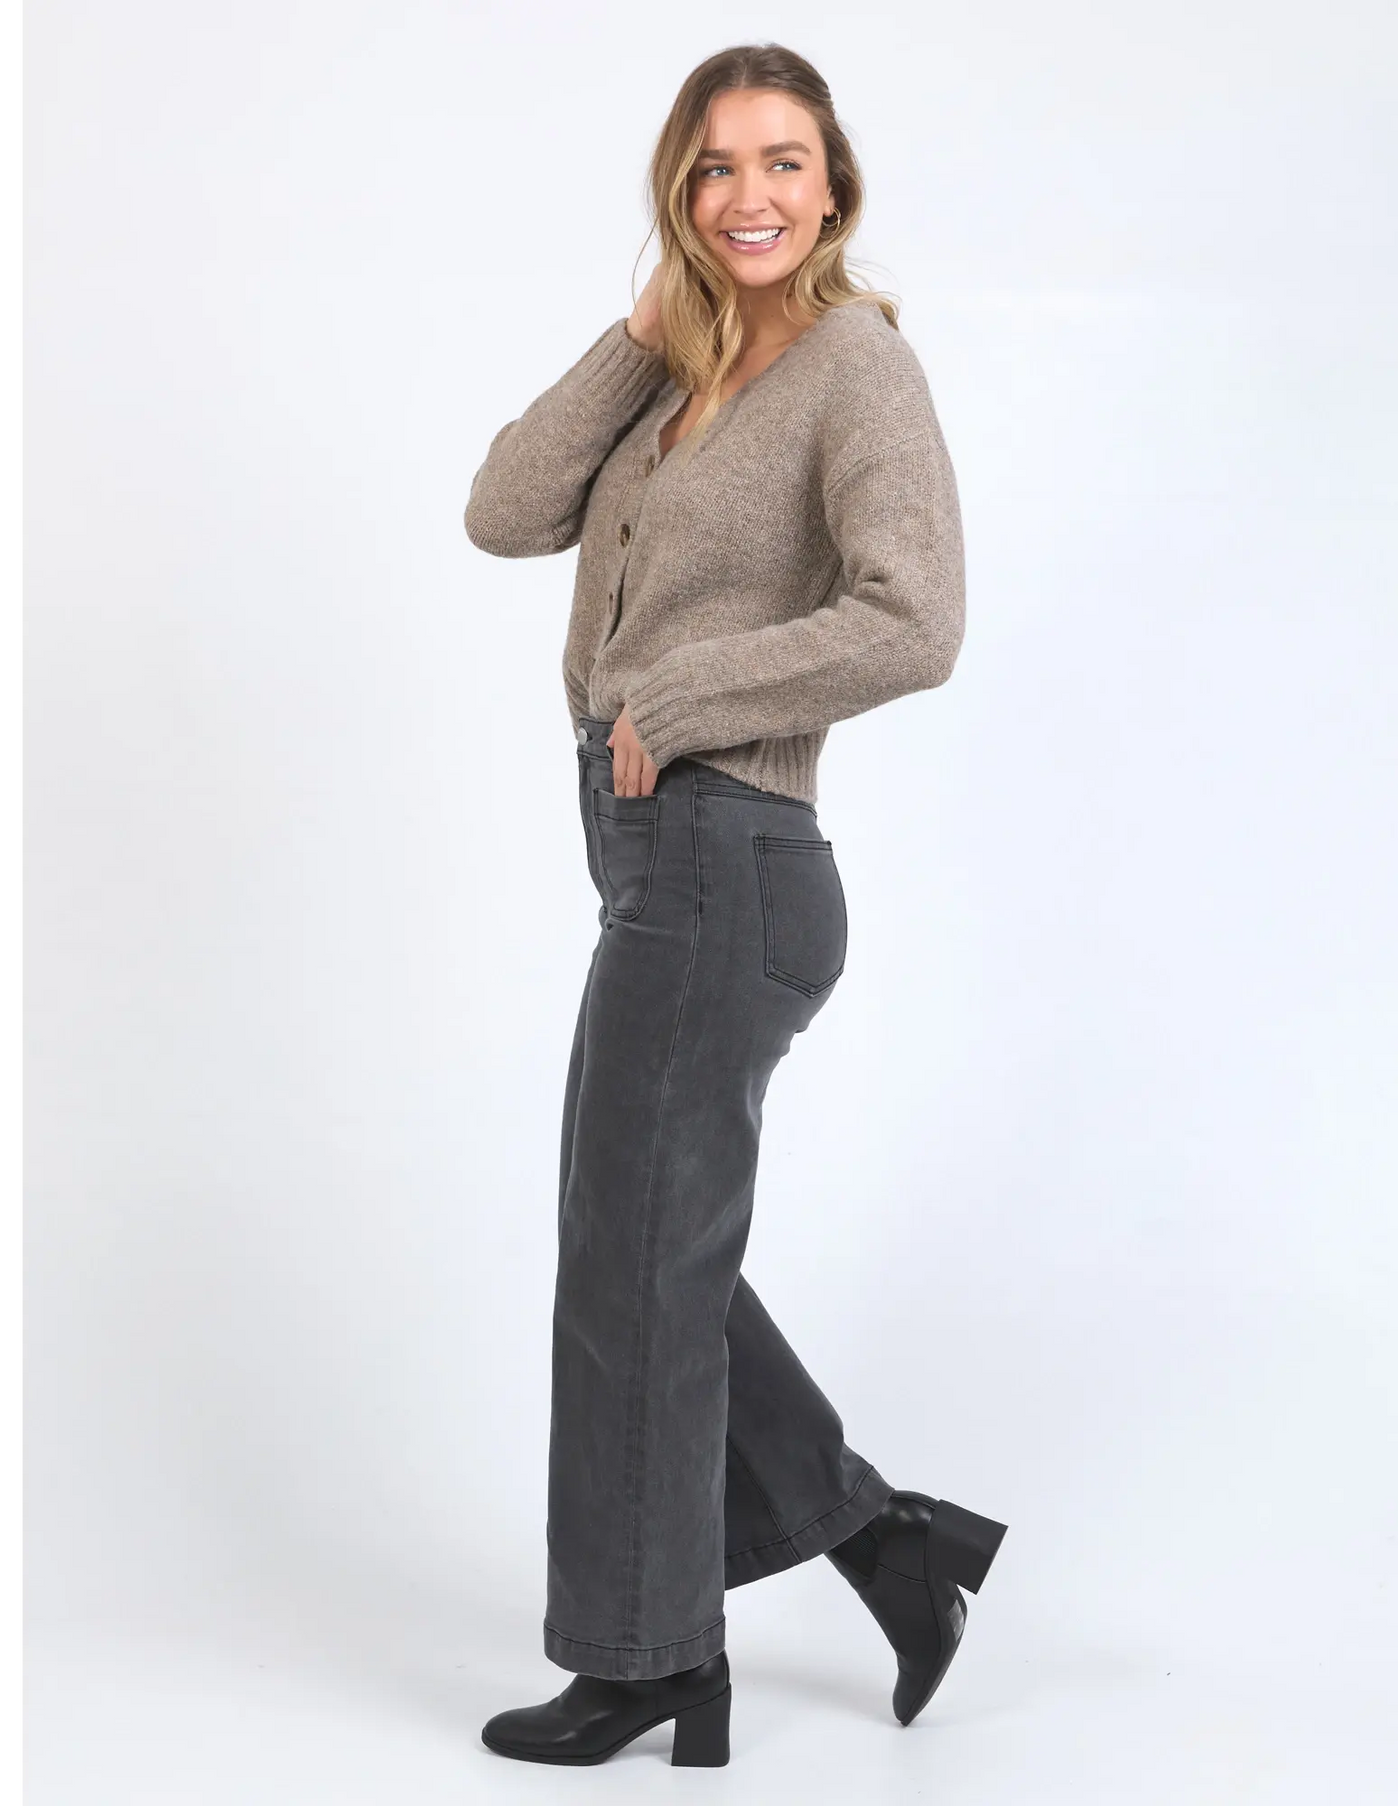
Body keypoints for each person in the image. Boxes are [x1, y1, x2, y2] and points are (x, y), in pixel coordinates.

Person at [462, 41, 1007, 1769]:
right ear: (678, 196)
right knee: (649, 1257)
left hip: (731, 853)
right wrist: (639, 333)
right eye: (713, 169)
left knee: (627, 1263)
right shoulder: (679, 366)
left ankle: (642, 1657)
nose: (750, 195)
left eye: (783, 162)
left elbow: (913, 618)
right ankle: (887, 1543)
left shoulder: (858, 370)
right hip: (660, 860)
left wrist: (679, 704)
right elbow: (501, 510)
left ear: (833, 184)